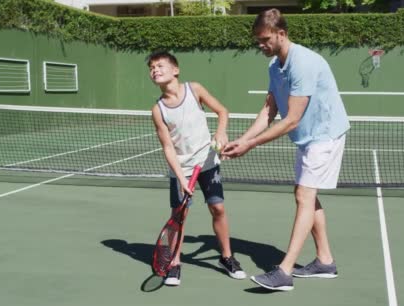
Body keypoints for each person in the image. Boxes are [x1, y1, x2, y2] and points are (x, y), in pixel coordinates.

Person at [221, 9, 350, 291]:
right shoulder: (274, 66)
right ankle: (325, 261)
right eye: (257, 41)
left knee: (305, 194)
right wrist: (242, 139)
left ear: (281, 33)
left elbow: (291, 119)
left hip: (324, 135)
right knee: (304, 194)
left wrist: (250, 145)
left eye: (265, 39)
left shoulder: (302, 63)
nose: (260, 45)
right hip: (307, 138)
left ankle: (284, 271)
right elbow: (269, 109)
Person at [148, 51, 246, 286]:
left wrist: (220, 132)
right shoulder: (158, 110)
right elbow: (168, 148)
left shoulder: (195, 89)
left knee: (218, 208)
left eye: (160, 66)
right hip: (181, 168)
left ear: (175, 70)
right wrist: (181, 178)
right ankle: (174, 263)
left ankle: (227, 257)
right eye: (151, 68)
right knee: (179, 216)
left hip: (208, 162)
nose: (155, 70)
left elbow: (222, 111)